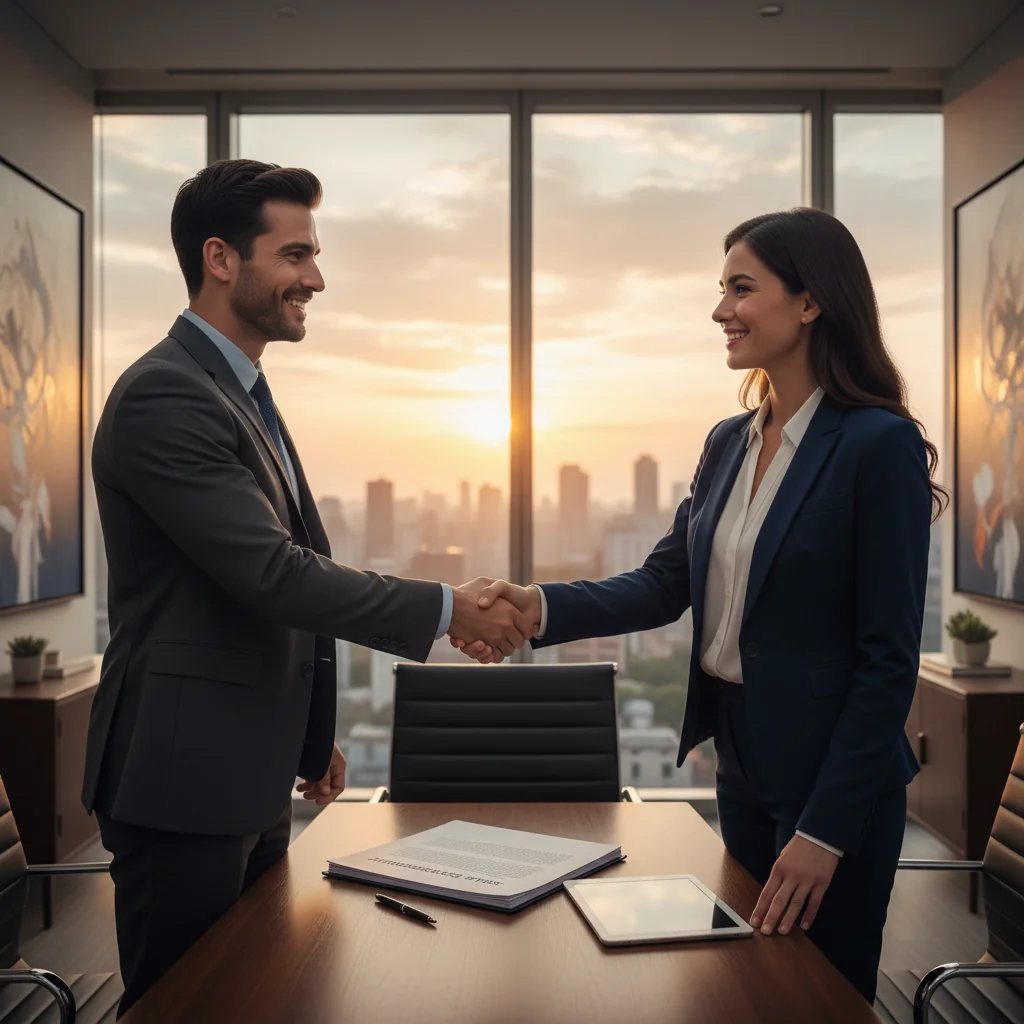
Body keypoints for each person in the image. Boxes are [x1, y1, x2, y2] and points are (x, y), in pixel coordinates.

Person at [456, 208, 945, 1004]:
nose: (721, 310)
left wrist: (826, 830)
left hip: (834, 776)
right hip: (741, 758)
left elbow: (887, 661)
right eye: (722, 289)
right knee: (741, 986)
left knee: (818, 994)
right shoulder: (728, 441)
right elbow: (663, 582)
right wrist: (536, 604)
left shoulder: (874, 445)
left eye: (741, 288)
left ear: (811, 301)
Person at [84, 158, 532, 1016]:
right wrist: (446, 607)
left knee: (251, 993)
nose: (315, 279)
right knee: (188, 1002)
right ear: (221, 259)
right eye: (294, 256)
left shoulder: (239, 389)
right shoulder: (166, 395)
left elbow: (259, 587)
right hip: (183, 780)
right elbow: (273, 574)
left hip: (238, 770)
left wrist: (304, 731)